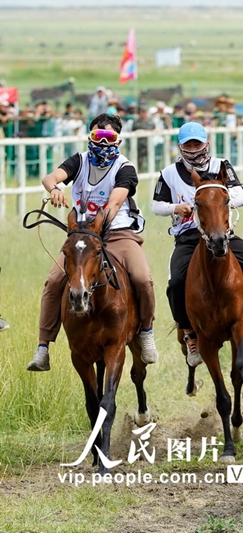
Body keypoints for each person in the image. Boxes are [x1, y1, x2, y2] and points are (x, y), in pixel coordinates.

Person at [27, 113, 158, 371]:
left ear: (118, 140)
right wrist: (55, 189)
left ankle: (146, 331)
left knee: (143, 278)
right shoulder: (79, 160)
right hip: (82, 236)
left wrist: (97, 226)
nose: (103, 142)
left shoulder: (125, 169)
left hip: (117, 232)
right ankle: (42, 347)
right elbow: (49, 178)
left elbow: (115, 203)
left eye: (109, 137)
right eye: (98, 136)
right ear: (90, 137)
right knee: (54, 281)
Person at [151, 122, 243, 365]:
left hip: (222, 234)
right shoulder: (169, 174)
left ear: (207, 143)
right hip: (188, 237)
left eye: (197, 143)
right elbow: (156, 205)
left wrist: (214, 202)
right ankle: (189, 333)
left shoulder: (221, 165)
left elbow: (240, 196)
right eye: (188, 144)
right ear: (180, 146)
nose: (194, 148)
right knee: (176, 282)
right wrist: (176, 207)